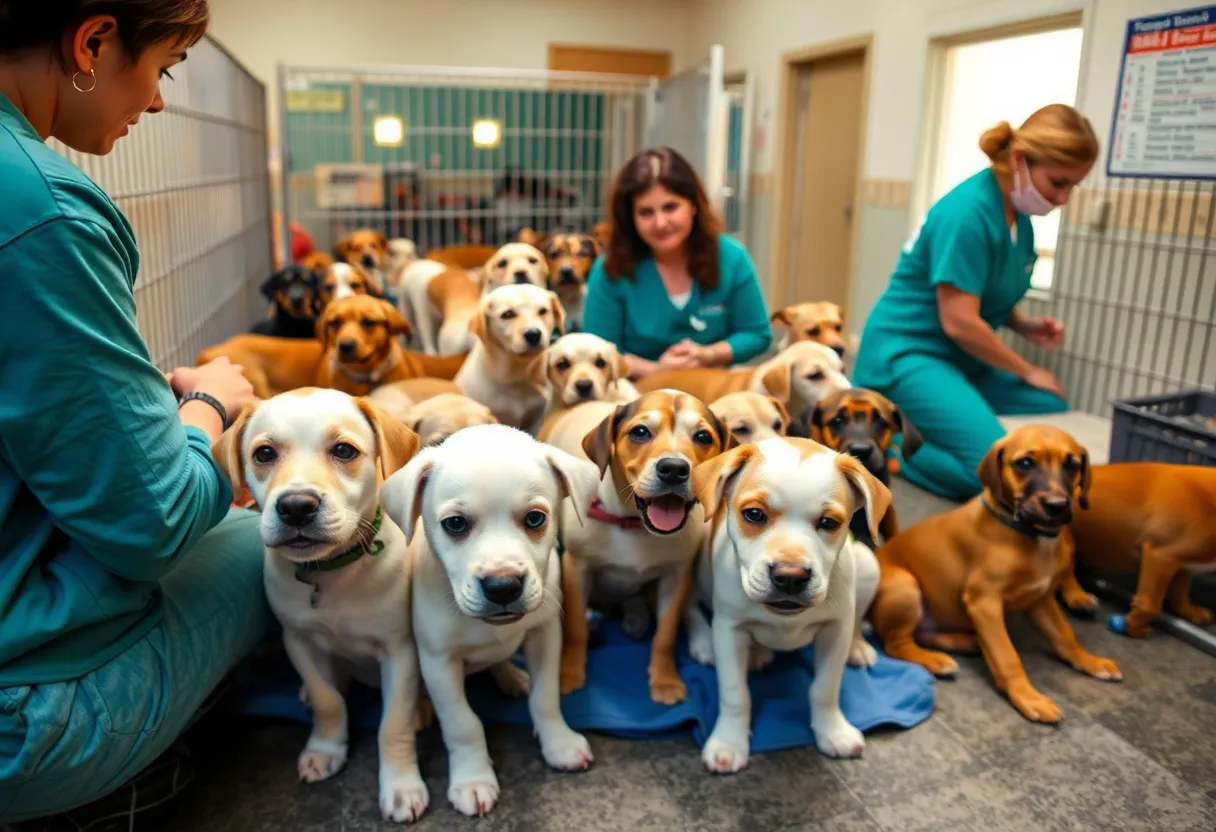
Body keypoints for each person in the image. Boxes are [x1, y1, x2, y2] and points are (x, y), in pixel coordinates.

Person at [0, 1, 273, 827]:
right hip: (26, 720)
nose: (156, 101)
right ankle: (120, 775)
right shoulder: (42, 208)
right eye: (165, 68)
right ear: (90, 41)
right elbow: (150, 524)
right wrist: (205, 407)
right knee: (275, 530)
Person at [851, 104, 1097, 501]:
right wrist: (1027, 368)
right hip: (908, 353)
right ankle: (893, 446)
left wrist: (1024, 325)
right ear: (1020, 160)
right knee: (992, 473)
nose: (1064, 198)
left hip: (960, 359)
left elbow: (984, 291)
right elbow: (959, 321)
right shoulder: (967, 213)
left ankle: (940, 414)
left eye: (1074, 186)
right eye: (1058, 182)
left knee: (1048, 401)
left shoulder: (1018, 218)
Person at [582, 147, 772, 378]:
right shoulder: (610, 269)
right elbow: (597, 353)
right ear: (630, 218)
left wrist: (709, 354)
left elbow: (757, 334)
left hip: (713, 392)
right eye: (646, 212)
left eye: (670, 207)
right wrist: (658, 370)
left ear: (693, 205)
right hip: (635, 398)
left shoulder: (731, 257)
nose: (661, 223)